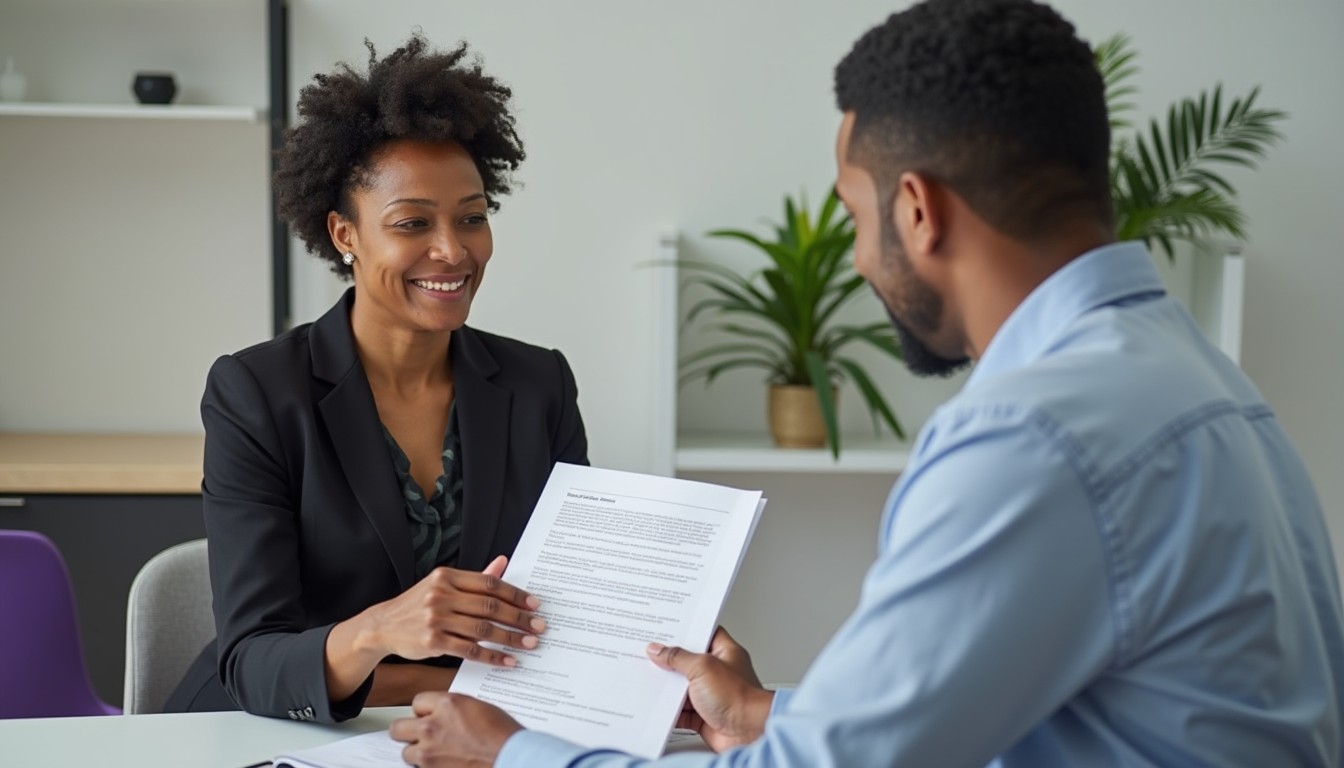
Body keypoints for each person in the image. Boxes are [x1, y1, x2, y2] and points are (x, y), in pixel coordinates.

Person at [387, 0, 1344, 765]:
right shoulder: (1202, 384)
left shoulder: (1034, 437)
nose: (855, 259)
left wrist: (515, 755)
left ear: (919, 209)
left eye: (856, 216)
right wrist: (770, 714)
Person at [163, 34, 589, 723]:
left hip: (476, 729)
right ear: (345, 234)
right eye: (412, 222)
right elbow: (251, 660)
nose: (453, 250)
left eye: (473, 218)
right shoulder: (258, 394)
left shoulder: (540, 386)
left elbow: (568, 616)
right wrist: (382, 630)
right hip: (282, 730)